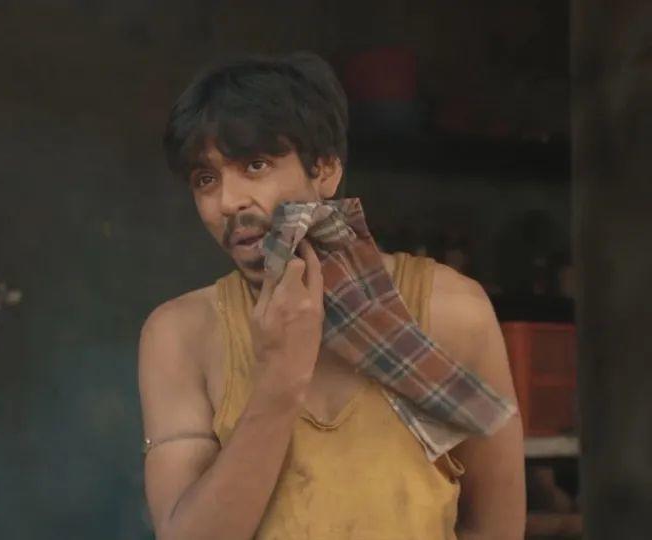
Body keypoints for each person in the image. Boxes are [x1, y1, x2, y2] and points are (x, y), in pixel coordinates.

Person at [138, 53, 525, 540]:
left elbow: (496, 527)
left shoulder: (450, 311)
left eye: (255, 165)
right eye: (206, 179)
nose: (229, 201)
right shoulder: (181, 335)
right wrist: (280, 377)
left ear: (324, 169)